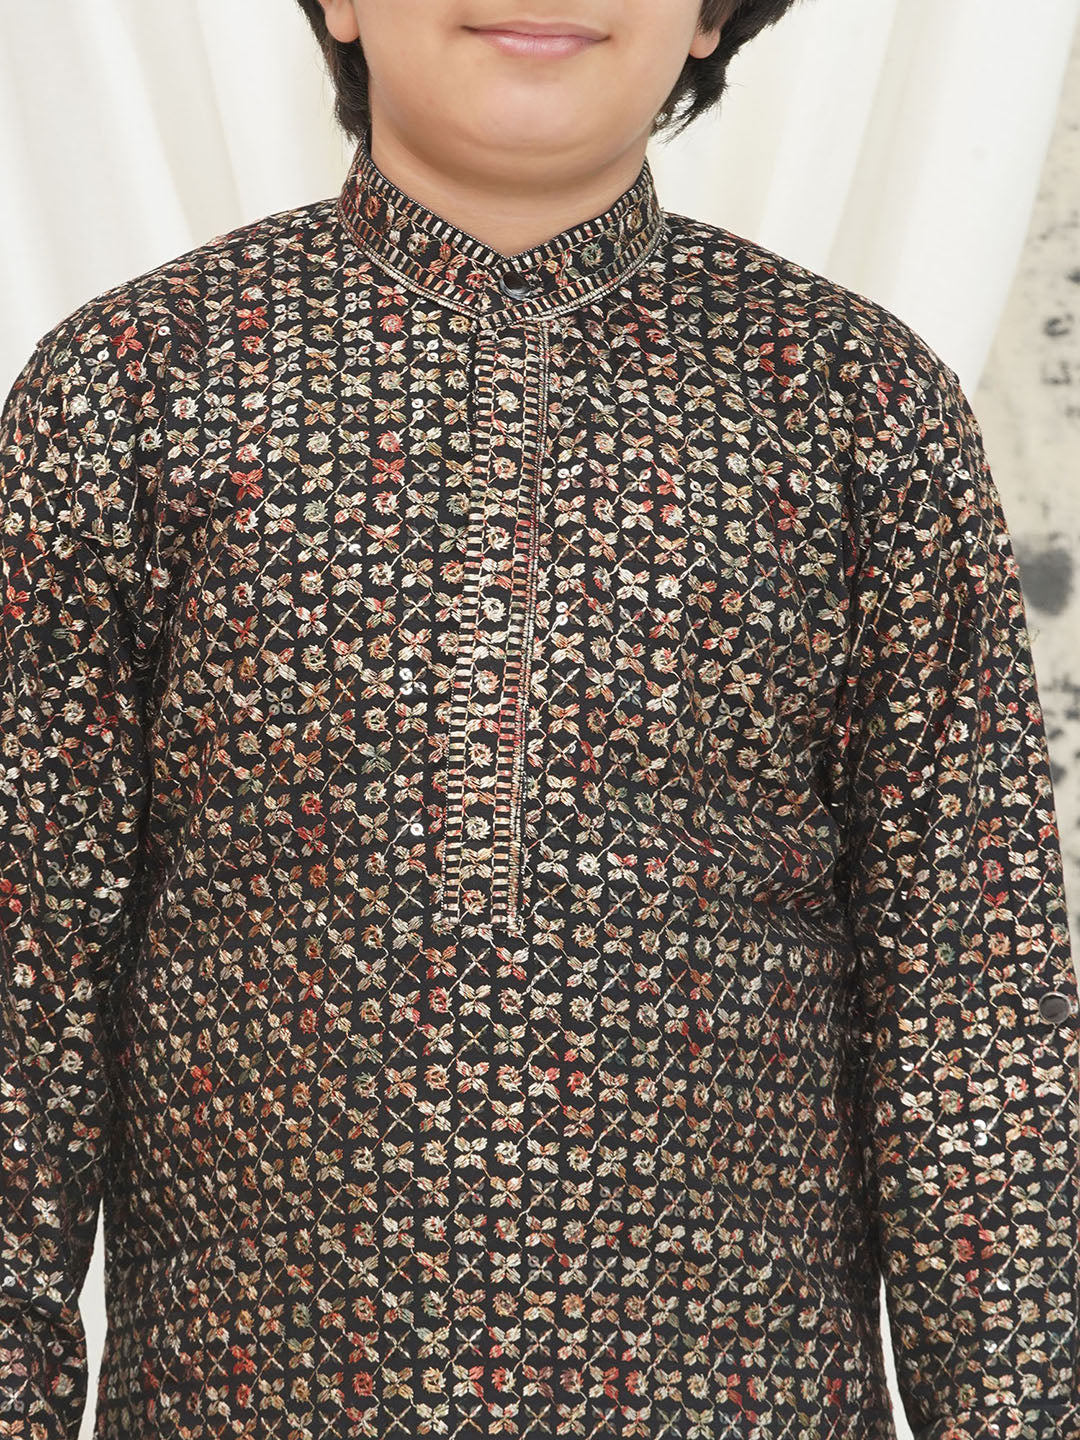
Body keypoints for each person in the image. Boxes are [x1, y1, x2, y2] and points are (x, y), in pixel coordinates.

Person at [1, 1, 1077, 1435]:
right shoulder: (131, 393)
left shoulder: (857, 410)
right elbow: (22, 1011)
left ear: (709, 17)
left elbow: (977, 1043)